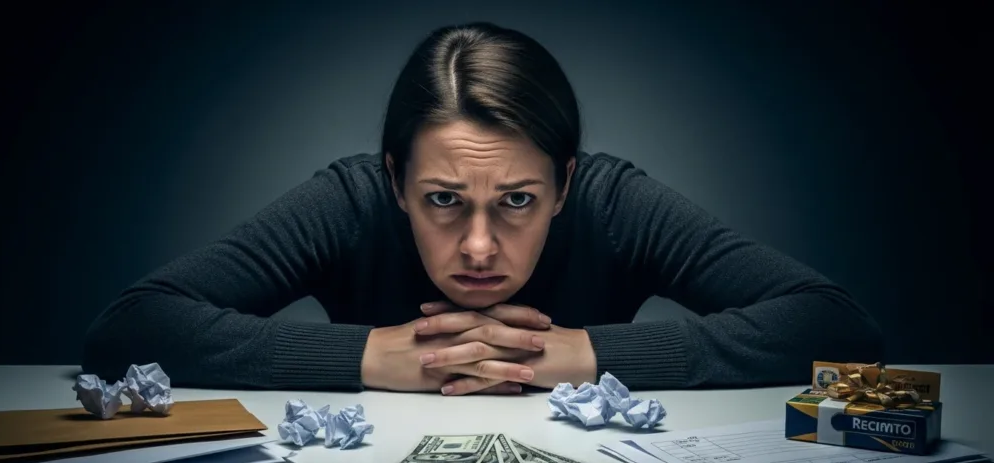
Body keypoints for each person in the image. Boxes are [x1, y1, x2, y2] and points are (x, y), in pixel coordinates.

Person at [81, 22, 884, 397]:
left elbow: (838, 327)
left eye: (517, 201)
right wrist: (368, 356)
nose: (477, 245)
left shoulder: (613, 200)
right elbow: (130, 329)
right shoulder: (350, 199)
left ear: (565, 186)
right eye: (442, 199)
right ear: (395, 182)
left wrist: (585, 353)